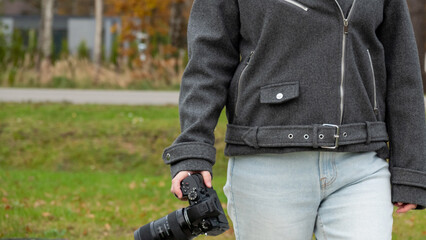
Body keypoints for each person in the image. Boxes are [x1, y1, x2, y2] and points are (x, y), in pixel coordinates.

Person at [163, 0, 426, 239]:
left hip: (361, 163)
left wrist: (410, 170)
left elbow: (403, 72)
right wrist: (193, 149)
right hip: (266, 164)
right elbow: (207, 62)